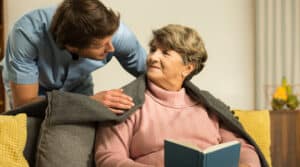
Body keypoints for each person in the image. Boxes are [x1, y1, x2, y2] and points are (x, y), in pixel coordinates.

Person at [94, 24, 263, 167]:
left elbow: (244, 149)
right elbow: (109, 157)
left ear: (188, 68)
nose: (153, 57)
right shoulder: (125, 101)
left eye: (165, 53)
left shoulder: (207, 106)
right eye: (153, 50)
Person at [2, 0, 146, 112]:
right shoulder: (26, 35)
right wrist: (86, 103)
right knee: (32, 129)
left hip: (78, 85)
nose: (111, 48)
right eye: (99, 45)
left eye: (110, 40)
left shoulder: (119, 35)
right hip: (34, 91)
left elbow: (154, 75)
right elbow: (25, 103)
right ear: (72, 47)